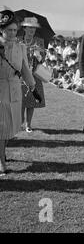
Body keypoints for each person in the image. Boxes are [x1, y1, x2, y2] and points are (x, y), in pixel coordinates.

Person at [0, 10, 36, 175]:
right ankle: (1, 163)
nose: (12, 33)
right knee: (1, 127)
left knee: (9, 128)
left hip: (15, 91)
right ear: (2, 30)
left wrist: (32, 85)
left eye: (15, 30)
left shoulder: (21, 47)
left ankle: (2, 153)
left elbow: (25, 68)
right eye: (9, 30)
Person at [19, 17, 46, 133]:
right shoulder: (17, 40)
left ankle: (28, 125)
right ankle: (20, 122)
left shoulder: (39, 41)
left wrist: (38, 54)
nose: (32, 30)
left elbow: (42, 60)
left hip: (34, 74)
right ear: (24, 28)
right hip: (19, 75)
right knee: (20, 100)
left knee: (31, 101)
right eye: (30, 28)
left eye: (34, 28)